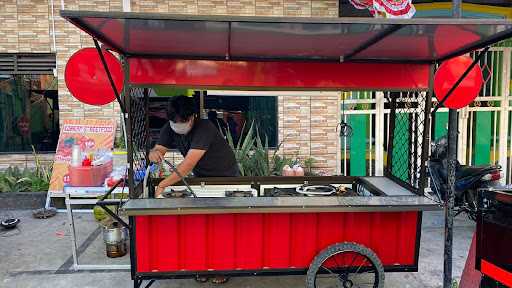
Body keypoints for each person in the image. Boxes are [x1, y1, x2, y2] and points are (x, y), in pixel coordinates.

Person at [149, 96, 240, 197]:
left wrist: (162, 185)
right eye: (174, 122)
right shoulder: (169, 128)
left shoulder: (204, 128)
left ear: (192, 117)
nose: (178, 125)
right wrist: (154, 153)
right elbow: (159, 149)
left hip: (226, 179)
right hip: (201, 179)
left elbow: (188, 165)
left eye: (183, 122)